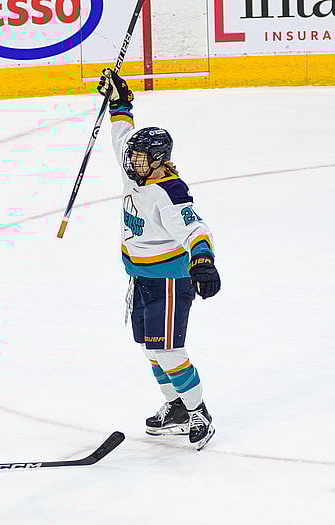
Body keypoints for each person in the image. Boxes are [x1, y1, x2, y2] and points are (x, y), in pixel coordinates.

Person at [97, 69, 221, 450]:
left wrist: (202, 260)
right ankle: (177, 407)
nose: (131, 162)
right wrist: (120, 103)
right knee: (153, 349)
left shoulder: (169, 191)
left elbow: (195, 227)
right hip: (142, 280)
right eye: (132, 157)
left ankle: (200, 412)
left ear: (158, 159)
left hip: (169, 282)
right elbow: (120, 138)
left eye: (139, 157)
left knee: (169, 350)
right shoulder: (136, 173)